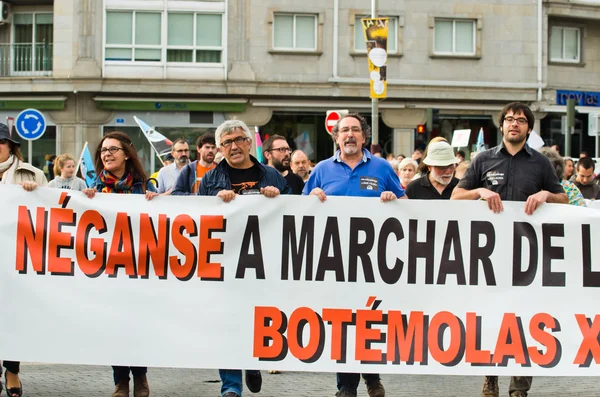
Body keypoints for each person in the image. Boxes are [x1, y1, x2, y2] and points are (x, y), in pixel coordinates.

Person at [451, 102, 567, 397]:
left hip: (529, 258)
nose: (514, 123)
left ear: (528, 128)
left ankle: (519, 386)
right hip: (489, 258)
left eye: (521, 120)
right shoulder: (483, 160)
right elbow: (456, 197)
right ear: (502, 125)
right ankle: (490, 377)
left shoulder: (540, 163)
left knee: (525, 319)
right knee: (491, 318)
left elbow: (563, 199)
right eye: (510, 119)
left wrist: (545, 195)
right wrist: (479, 191)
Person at [303, 113, 406, 397]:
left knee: (369, 321)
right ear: (336, 137)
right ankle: (347, 386)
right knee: (342, 323)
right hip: (335, 262)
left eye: (355, 130)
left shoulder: (382, 167)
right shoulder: (322, 169)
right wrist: (311, 199)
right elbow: (299, 209)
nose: (349, 135)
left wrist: (393, 201)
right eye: (344, 130)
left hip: (373, 263)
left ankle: (372, 377)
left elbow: (406, 206)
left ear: (364, 136)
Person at [198, 119, 290, 397]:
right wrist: (214, 199)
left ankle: (252, 363)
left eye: (238, 140)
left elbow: (294, 215)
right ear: (220, 149)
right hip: (225, 263)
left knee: (256, 320)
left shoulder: (272, 176)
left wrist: (278, 198)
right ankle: (231, 386)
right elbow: (196, 216)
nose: (233, 146)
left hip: (263, 265)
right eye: (226, 143)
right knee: (226, 322)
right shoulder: (210, 179)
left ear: (250, 143)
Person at [82, 131, 157, 397]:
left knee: (136, 326)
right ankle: (121, 381)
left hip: (138, 269)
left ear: (126, 154)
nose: (107, 154)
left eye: (113, 149)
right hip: (107, 270)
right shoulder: (92, 189)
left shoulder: (145, 187)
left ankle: (141, 377)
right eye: (103, 150)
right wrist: (85, 200)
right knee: (113, 326)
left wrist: (157, 203)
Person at [0, 122, 48, 397]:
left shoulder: (33, 174)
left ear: (10, 145)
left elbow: (53, 212)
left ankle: (13, 369)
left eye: (1, 142)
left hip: (18, 258)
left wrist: (36, 194)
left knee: (13, 317)